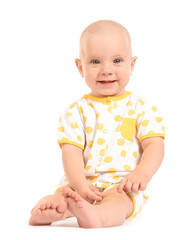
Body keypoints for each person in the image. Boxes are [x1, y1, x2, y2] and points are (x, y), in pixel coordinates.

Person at [29, 20, 165, 228]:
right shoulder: (76, 111)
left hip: (122, 184)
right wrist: (79, 184)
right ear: (80, 67)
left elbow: (154, 145)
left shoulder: (142, 108)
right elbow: (71, 151)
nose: (106, 70)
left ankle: (97, 216)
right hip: (80, 181)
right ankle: (56, 210)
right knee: (67, 196)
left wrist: (141, 174)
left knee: (119, 204)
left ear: (132, 64)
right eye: (95, 62)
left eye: (117, 60)